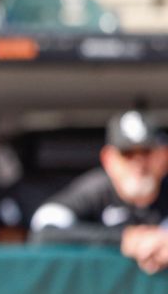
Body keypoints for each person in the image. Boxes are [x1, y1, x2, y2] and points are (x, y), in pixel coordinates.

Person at [29, 110, 168, 274]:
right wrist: (124, 239)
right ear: (108, 159)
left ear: (164, 155)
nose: (139, 164)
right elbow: (43, 230)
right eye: (127, 153)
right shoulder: (95, 190)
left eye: (146, 152)